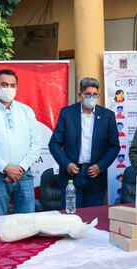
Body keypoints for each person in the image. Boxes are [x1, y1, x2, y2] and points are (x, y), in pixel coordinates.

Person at [0, 69, 42, 216]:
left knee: (27, 223)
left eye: (12, 85)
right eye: (4, 84)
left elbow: (36, 144)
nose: (9, 89)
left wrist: (20, 168)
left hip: (23, 175)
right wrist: (5, 167)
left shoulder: (26, 111)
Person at [49, 77, 120, 208]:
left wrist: (101, 166)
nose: (92, 97)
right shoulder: (67, 113)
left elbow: (114, 146)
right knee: (71, 217)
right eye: (88, 94)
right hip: (72, 175)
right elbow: (54, 143)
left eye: (95, 94)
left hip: (95, 176)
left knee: (92, 217)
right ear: (79, 95)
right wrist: (66, 164)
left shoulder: (107, 116)